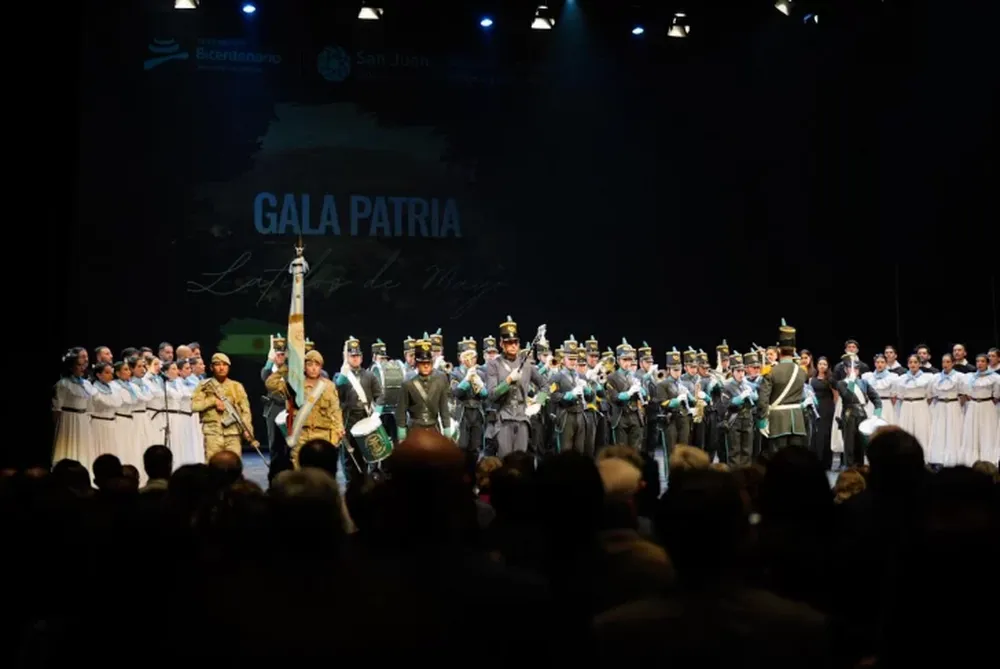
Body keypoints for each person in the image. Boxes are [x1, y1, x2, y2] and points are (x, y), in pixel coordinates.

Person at [266, 349, 345, 469]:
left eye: (317, 365)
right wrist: (288, 368)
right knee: (300, 471)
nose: (313, 368)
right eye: (309, 364)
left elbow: (335, 410)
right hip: (300, 434)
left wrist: (338, 430)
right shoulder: (294, 385)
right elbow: (270, 383)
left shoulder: (329, 386)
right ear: (304, 366)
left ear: (321, 367)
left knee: (321, 472)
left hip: (322, 434)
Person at [485, 315, 547, 457]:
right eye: (509, 343)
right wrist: (508, 381)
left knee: (521, 461)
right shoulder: (494, 365)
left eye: (516, 342)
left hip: (522, 419)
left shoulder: (527, 365)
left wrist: (539, 402)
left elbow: (545, 385)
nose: (513, 345)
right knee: (505, 459)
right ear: (501, 344)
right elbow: (491, 395)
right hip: (503, 419)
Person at [755, 319, 809, 456]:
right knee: (796, 460)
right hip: (797, 421)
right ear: (794, 350)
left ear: (778, 350)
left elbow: (763, 399)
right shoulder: (802, 372)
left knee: (779, 460)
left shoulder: (771, 371)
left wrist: (762, 419)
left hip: (778, 422)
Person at [191, 353, 254, 461]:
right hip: (212, 433)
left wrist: (247, 429)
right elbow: (194, 406)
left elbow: (245, 410)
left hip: (233, 432)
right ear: (211, 367)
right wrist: (213, 401)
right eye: (217, 364)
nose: (221, 368)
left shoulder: (236, 386)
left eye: (225, 365)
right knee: (213, 463)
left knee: (233, 463)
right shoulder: (204, 385)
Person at [396, 337, 454, 442]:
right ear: (417, 363)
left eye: (429, 363)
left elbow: (443, 407)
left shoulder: (441, 379)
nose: (426, 366)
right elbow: (401, 410)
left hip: (434, 428)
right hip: (414, 429)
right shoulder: (408, 382)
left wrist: (447, 429)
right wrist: (401, 432)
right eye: (423, 363)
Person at [835, 356, 882, 469]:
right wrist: (851, 382)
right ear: (846, 370)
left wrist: (876, 415)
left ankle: (860, 470)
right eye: (851, 368)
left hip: (862, 414)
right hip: (849, 414)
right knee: (849, 445)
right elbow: (848, 396)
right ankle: (850, 470)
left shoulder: (863, 382)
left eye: (856, 369)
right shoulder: (841, 383)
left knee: (861, 446)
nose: (854, 371)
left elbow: (876, 399)